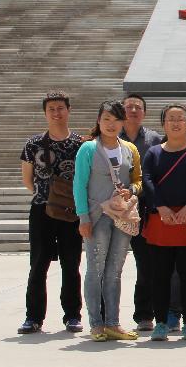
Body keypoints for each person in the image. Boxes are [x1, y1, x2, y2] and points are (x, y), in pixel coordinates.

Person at [74, 100, 143, 342]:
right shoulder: (88, 149)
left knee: (115, 271)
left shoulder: (129, 149)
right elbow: (79, 184)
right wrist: (83, 217)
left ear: (123, 122)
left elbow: (138, 180)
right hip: (97, 216)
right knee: (95, 269)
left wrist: (131, 190)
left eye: (116, 120)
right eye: (106, 119)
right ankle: (96, 324)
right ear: (98, 121)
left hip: (121, 217)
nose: (111, 124)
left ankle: (113, 323)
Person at [141, 104, 186, 341]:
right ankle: (161, 322)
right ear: (164, 123)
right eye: (171, 118)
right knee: (160, 275)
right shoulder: (153, 152)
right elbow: (147, 180)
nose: (176, 123)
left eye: (180, 118)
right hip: (161, 220)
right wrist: (161, 206)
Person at [18, 90, 84, 335]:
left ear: (68, 110)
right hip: (42, 210)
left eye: (60, 108)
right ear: (45, 113)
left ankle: (72, 315)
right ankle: (33, 317)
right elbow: (28, 180)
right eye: (51, 109)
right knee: (38, 264)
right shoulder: (33, 144)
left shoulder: (80, 144)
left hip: (71, 212)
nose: (56, 113)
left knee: (71, 264)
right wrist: (48, 196)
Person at [120, 93, 164, 332]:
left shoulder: (154, 139)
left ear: (144, 113)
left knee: (146, 264)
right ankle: (105, 317)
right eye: (129, 107)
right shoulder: (110, 137)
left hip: (144, 209)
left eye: (138, 107)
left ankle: (145, 314)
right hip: (114, 209)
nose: (133, 110)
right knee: (110, 266)